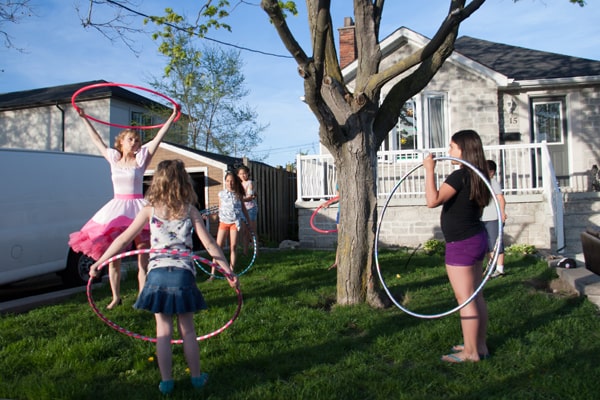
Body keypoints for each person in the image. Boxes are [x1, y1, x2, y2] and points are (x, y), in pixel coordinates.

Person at [89, 159, 239, 394]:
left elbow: (123, 239)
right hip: (182, 275)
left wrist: (100, 260)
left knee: (163, 331)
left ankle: (166, 382)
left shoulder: (149, 209)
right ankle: (197, 379)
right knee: (187, 331)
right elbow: (210, 244)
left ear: (158, 182)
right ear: (183, 182)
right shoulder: (189, 210)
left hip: (157, 275)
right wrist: (228, 271)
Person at [69, 105, 179, 309]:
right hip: (117, 210)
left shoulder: (141, 159)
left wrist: (172, 116)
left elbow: (158, 139)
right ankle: (115, 297)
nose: (136, 142)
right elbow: (96, 141)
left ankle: (143, 297)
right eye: (131, 139)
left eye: (137, 139)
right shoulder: (113, 158)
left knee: (142, 257)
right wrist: (84, 117)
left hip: (138, 208)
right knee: (114, 258)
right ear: (121, 142)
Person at [423, 129, 491, 363]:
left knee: (466, 299)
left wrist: (429, 170)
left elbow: (432, 201)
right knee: (476, 295)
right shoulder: (478, 175)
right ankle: (478, 345)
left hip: (462, 244)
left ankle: (471, 353)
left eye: (452, 147)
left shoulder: (460, 176)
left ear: (463, 150)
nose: (448, 151)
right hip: (476, 238)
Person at [208, 171, 250, 281]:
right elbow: (219, 208)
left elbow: (243, 210)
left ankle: (231, 272)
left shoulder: (239, 195)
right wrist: (208, 215)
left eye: (231, 181)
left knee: (233, 246)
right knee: (217, 247)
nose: (229, 183)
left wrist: (248, 222)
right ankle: (212, 274)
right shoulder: (221, 194)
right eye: (227, 181)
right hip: (223, 222)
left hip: (235, 223)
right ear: (225, 182)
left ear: (235, 182)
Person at [482, 160, 507, 278]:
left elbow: (501, 199)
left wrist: (502, 213)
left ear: (492, 172)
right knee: (487, 245)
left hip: (493, 218)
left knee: (496, 243)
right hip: (482, 218)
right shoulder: (481, 183)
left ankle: (500, 269)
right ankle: (490, 267)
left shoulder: (493, 183)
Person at [236, 165, 258, 256]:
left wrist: (240, 199)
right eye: (241, 174)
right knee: (244, 232)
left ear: (248, 174)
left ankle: (256, 252)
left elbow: (250, 197)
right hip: (242, 210)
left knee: (252, 231)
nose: (243, 175)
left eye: (244, 173)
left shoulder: (250, 183)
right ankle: (245, 252)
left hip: (250, 209)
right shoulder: (238, 185)